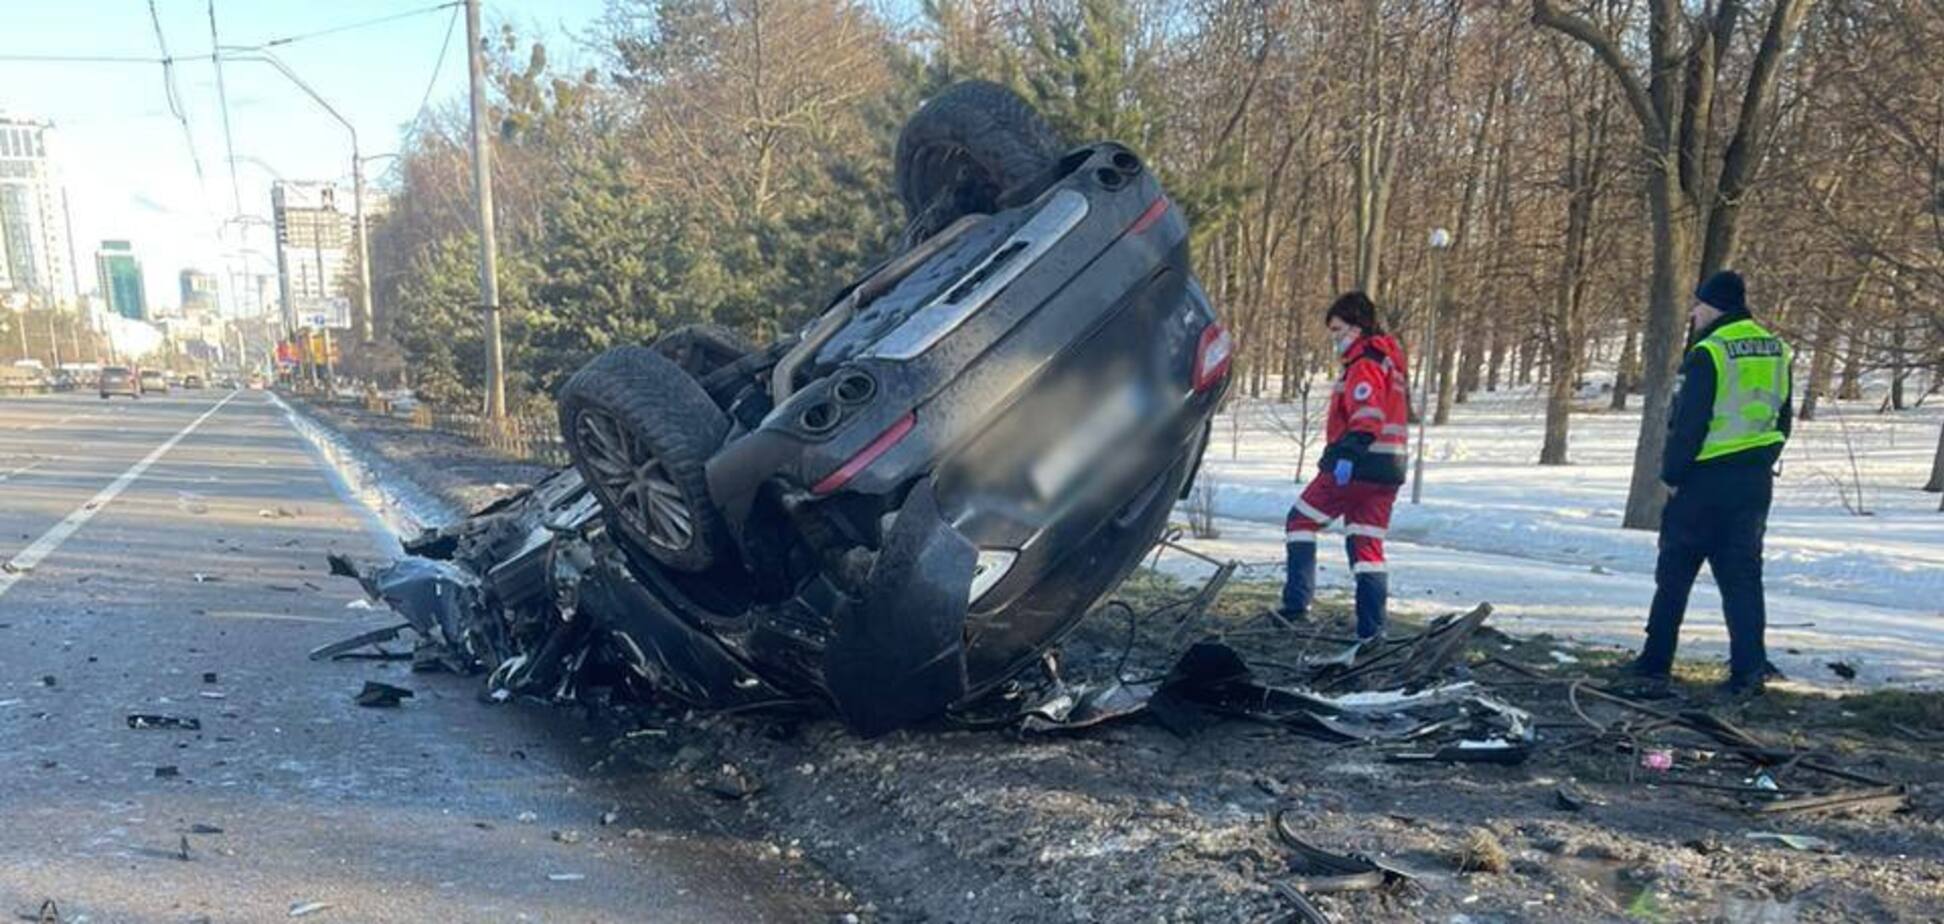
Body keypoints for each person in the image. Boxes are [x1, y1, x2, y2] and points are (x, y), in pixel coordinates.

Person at [1623, 270, 1793, 696]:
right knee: (1742, 577)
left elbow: (1689, 423)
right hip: (1754, 482)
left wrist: (1672, 476)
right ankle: (1749, 669)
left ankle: (1655, 661)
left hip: (1704, 479)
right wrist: (1762, 456)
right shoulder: (1777, 350)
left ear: (1713, 306)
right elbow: (1784, 419)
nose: (1694, 313)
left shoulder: (1710, 353)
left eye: (1698, 305)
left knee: (1675, 571)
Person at [1280, 292, 1410, 641]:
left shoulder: (1364, 363)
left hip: (1359, 465)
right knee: (1367, 547)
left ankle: (1295, 606)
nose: (1334, 338)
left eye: (1338, 330)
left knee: (1299, 521)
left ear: (1357, 326)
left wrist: (1346, 457)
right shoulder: (1389, 361)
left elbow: (1367, 415)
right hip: (1390, 469)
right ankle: (1371, 630)